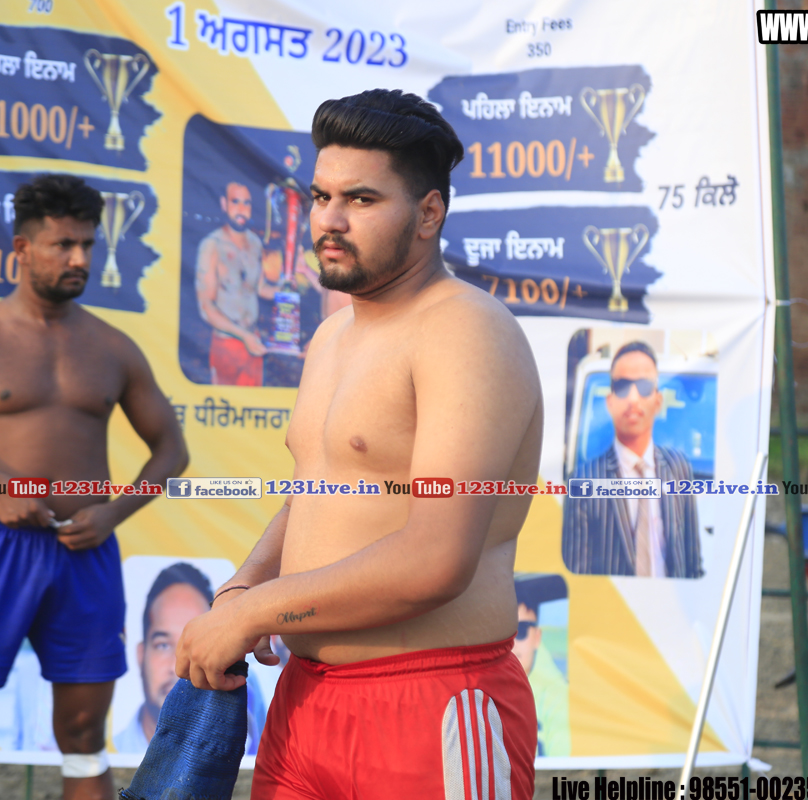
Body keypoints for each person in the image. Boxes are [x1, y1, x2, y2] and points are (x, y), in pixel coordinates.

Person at [174, 89, 543, 799]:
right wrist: (243, 586)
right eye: (321, 196)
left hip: (433, 704)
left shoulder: (467, 331)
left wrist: (257, 611)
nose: (330, 220)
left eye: (362, 200)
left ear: (429, 214)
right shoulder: (331, 335)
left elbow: (436, 560)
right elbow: (317, 494)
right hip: (306, 706)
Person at [0, 173, 189, 800]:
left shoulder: (112, 347)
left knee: (84, 738)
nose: (80, 259)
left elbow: (171, 451)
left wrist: (113, 515)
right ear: (21, 248)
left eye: (88, 245)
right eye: (63, 245)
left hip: (84, 553)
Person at [561, 341, 702, 578]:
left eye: (644, 387)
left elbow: (692, 563)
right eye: (623, 386)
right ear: (610, 402)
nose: (633, 398)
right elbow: (578, 576)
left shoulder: (679, 469)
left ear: (658, 401)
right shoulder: (583, 481)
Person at [114, 562, 265, 755]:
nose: (176, 666)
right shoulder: (112, 749)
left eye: (195, 643)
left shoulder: (249, 745)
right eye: (163, 645)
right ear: (141, 655)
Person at [195, 182, 277, 385]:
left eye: (247, 203)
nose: (242, 209)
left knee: (253, 403)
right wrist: (243, 336)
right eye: (235, 202)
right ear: (224, 204)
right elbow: (206, 307)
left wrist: (288, 289)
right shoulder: (212, 245)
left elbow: (260, 288)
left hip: (253, 342)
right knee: (225, 402)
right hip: (226, 345)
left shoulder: (255, 243)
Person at [510, 574, 570, 758]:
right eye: (505, 630)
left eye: (521, 630)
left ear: (537, 637)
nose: (512, 642)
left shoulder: (557, 697)